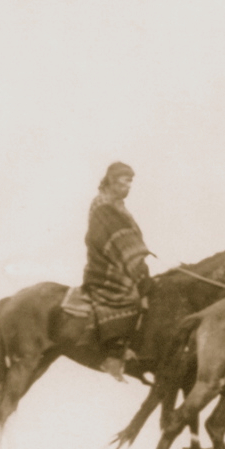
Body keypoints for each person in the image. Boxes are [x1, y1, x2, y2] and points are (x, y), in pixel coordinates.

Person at [83, 161, 153, 381]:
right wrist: (135, 261)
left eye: (131, 181)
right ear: (112, 181)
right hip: (106, 266)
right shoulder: (103, 205)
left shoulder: (119, 206)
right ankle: (114, 352)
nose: (129, 185)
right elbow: (116, 240)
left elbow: (128, 239)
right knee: (131, 297)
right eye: (125, 180)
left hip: (121, 261)